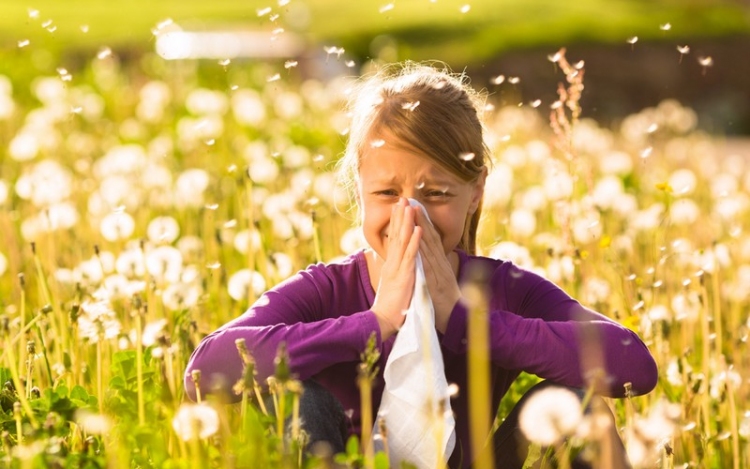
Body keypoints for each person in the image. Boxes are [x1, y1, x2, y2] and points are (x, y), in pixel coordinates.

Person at [184, 62, 658, 468]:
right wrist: (375, 323)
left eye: (436, 194)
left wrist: (465, 320)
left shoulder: (503, 287)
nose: (411, 216)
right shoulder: (326, 290)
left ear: (476, 193)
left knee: (583, 407)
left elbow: (633, 364)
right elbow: (204, 373)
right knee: (297, 399)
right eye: (387, 194)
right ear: (359, 190)